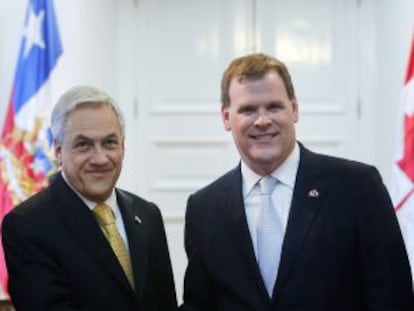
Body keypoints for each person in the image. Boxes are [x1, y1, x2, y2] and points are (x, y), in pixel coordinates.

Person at [179, 53, 414, 310]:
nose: (262, 120)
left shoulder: (357, 187)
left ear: (294, 109)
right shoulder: (204, 209)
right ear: (226, 117)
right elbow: (198, 305)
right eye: (248, 110)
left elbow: (393, 296)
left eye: (273, 106)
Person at [1, 85, 177, 311]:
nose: (100, 158)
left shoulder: (147, 214)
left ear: (123, 147)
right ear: (58, 151)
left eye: (109, 143)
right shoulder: (28, 226)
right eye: (83, 145)